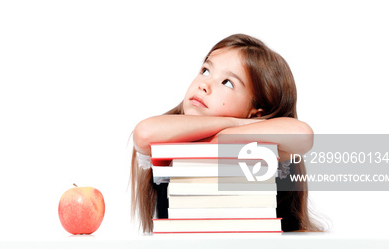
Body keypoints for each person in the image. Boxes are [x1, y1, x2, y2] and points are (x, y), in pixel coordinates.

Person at [130, 34, 321, 233]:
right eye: (205, 70)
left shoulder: (262, 144)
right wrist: (233, 122)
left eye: (227, 82)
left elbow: (302, 134)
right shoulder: (165, 129)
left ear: (255, 113)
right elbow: (143, 133)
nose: (203, 84)